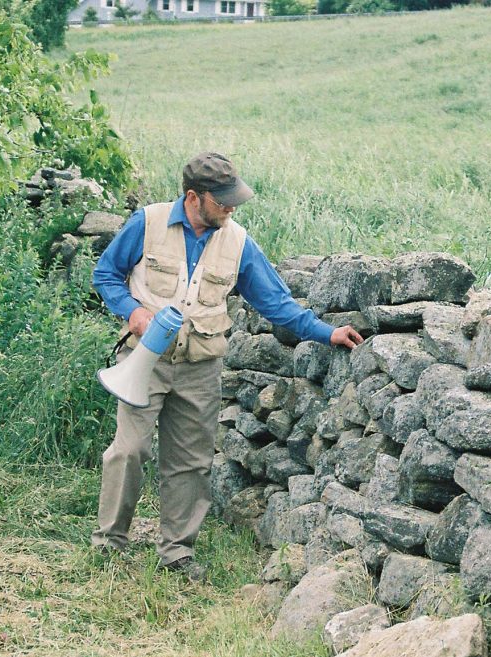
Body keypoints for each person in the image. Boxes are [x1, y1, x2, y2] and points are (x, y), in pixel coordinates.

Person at [91, 152, 363, 581]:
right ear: (193, 198)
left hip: (201, 366)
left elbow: (275, 302)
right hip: (145, 360)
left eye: (234, 199)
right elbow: (105, 275)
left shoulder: (238, 241)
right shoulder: (147, 222)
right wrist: (134, 313)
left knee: (191, 461)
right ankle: (109, 544)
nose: (231, 208)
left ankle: (177, 552)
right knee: (129, 450)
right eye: (222, 201)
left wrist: (325, 332)